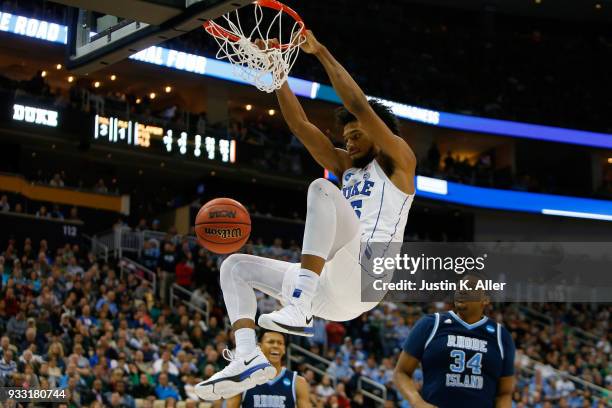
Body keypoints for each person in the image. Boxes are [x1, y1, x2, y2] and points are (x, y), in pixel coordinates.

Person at [196, 30, 416, 400]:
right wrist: (278, 72)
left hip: (368, 276)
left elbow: (361, 106)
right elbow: (300, 126)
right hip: (332, 289)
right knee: (233, 267)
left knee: (320, 189)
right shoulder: (347, 167)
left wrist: (321, 52)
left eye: (356, 134)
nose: (348, 141)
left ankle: (299, 304)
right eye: (345, 136)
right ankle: (248, 355)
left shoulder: (400, 161)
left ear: (379, 133)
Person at [393, 275, 515, 408]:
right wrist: (417, 402)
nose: (462, 290)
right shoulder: (431, 324)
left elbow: (505, 392)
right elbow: (401, 372)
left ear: (485, 300)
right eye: (460, 287)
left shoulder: (501, 336)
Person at [226, 331, 310, 407]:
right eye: (271, 342)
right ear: (259, 347)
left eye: (280, 343)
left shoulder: (298, 382)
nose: (275, 346)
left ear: (284, 349)